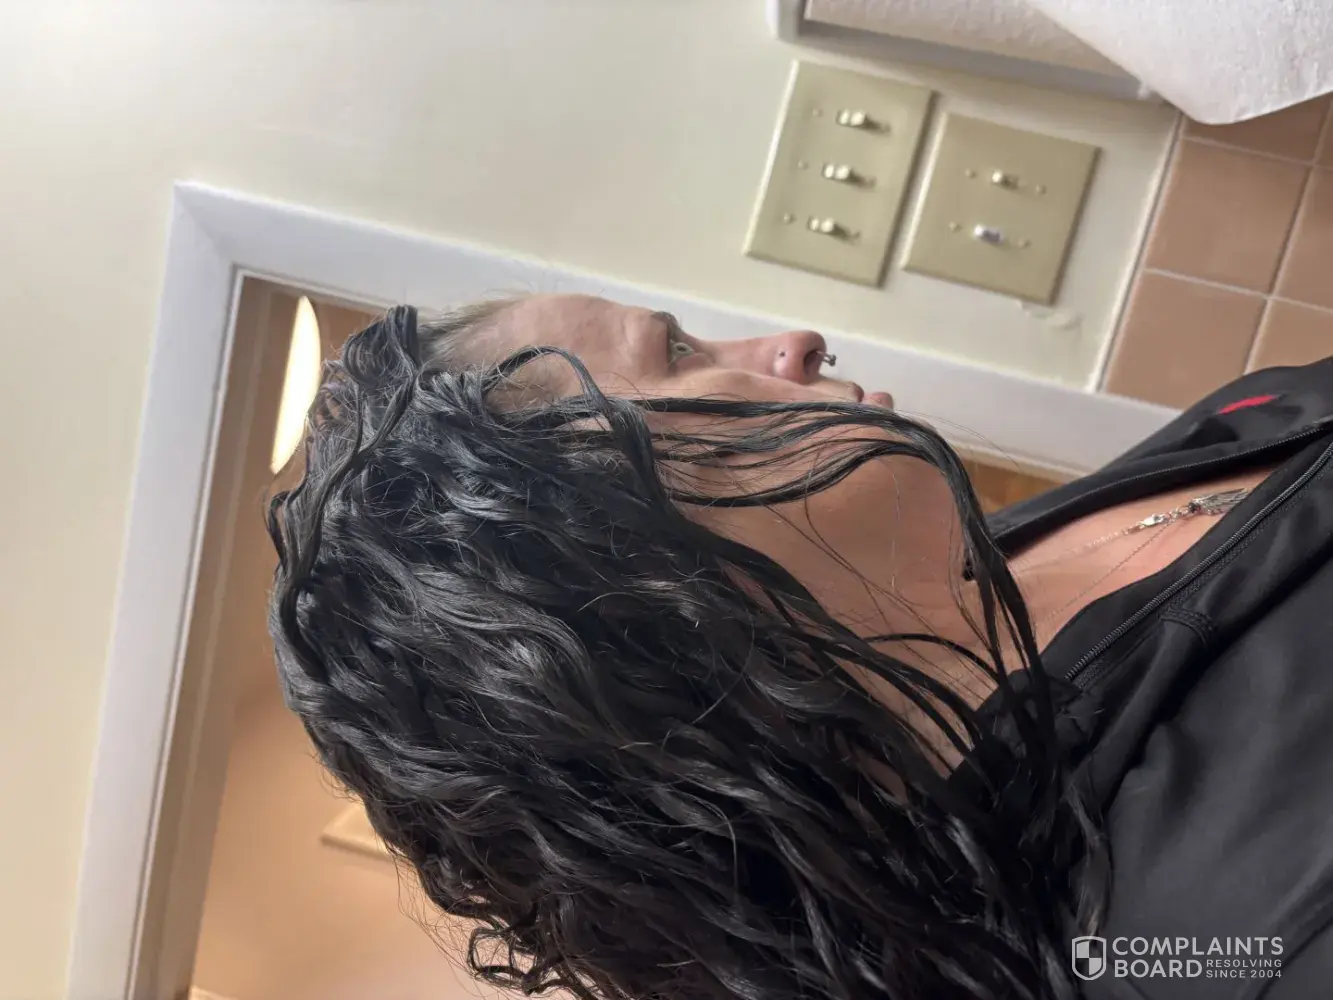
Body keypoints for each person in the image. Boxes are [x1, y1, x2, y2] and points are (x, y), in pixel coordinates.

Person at [267, 294, 1333, 1000]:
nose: (793, 342)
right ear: (610, 559)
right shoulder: (1231, 930)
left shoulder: (1005, 551)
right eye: (677, 354)